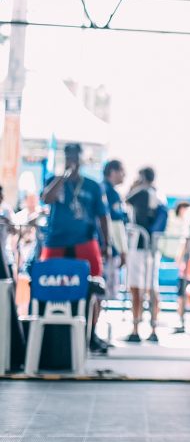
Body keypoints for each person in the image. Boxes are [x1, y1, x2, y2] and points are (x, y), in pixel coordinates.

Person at [40, 143, 110, 351]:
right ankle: (49, 333)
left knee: (94, 286)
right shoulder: (53, 180)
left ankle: (91, 332)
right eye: (69, 155)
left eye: (76, 156)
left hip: (84, 242)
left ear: (81, 159)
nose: (72, 159)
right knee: (48, 284)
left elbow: (103, 216)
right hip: (56, 242)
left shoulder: (93, 186)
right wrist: (62, 177)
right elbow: (47, 199)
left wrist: (106, 243)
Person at [125, 167, 163, 343]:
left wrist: (135, 186)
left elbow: (128, 200)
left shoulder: (141, 193)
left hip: (139, 245)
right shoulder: (158, 195)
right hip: (152, 248)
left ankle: (135, 328)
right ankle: (153, 327)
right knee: (152, 287)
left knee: (136, 288)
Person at [98, 159, 128, 353]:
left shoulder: (100, 189)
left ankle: (92, 332)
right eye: (122, 171)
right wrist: (122, 250)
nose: (124, 175)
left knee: (98, 294)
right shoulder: (110, 192)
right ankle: (92, 333)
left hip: (101, 247)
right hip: (108, 250)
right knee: (100, 292)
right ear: (113, 171)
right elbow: (115, 224)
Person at [166, 201, 190, 334]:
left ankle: (182, 320)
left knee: (183, 292)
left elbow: (185, 241)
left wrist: (179, 258)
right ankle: (183, 320)